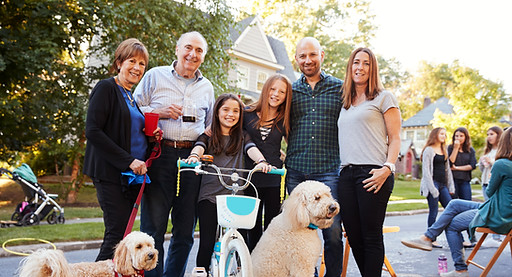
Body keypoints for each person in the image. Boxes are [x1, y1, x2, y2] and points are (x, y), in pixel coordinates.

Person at [133, 31, 214, 277]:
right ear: (177, 49)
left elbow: (210, 129)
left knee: (185, 230)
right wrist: (159, 112)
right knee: (153, 229)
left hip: (191, 161)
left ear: (203, 57)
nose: (193, 54)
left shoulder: (207, 87)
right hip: (160, 155)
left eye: (199, 51)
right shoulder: (154, 76)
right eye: (189, 48)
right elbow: (133, 109)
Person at [401, 127, 512, 277]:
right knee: (454, 203)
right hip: (502, 211)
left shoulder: (502, 164)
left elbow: (490, 192)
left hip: (498, 214)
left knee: (452, 225)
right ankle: (428, 237)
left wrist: (493, 177)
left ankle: (460, 269)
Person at [83, 38, 158, 261]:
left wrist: (152, 139)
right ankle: (96, 274)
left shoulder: (130, 97)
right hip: (110, 173)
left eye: (142, 64)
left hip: (130, 176)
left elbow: (128, 135)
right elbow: (93, 130)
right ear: (119, 63)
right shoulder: (107, 88)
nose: (137, 67)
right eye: (131, 61)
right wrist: (129, 161)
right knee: (115, 236)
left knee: (123, 237)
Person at [183, 93, 272, 270]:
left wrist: (261, 161)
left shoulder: (242, 136)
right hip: (209, 196)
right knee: (207, 243)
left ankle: (242, 271)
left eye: (235, 111)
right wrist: (194, 156)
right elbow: (199, 146)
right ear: (217, 112)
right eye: (225, 110)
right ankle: (202, 272)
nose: (230, 114)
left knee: (242, 241)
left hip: (235, 195)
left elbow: (251, 149)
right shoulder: (208, 135)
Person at [337, 47, 401, 277]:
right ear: (350, 66)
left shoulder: (384, 97)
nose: (360, 67)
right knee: (353, 236)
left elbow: (395, 138)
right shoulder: (345, 102)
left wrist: (388, 168)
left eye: (366, 63)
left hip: (374, 173)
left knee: (371, 236)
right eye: (356, 62)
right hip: (346, 175)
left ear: (372, 69)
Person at [285, 37, 344, 277]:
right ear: (296, 59)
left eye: (312, 55)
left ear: (322, 55)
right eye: (302, 56)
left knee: (332, 233)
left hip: (328, 170)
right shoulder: (290, 90)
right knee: (299, 230)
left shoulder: (340, 88)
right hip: (296, 171)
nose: (307, 60)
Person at [243, 74, 292, 251]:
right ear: (266, 90)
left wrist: (286, 158)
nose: (276, 94)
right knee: (251, 225)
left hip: (275, 179)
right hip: (250, 177)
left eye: (282, 91)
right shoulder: (246, 114)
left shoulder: (284, 119)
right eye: (273, 89)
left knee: (273, 226)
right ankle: (252, 265)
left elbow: (291, 145)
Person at [420, 127, 455, 231]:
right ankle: (430, 239)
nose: (444, 136)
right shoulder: (429, 150)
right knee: (433, 211)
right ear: (435, 135)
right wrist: (432, 189)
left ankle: (456, 237)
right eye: (441, 134)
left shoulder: (444, 150)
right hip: (432, 184)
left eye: (445, 134)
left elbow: (448, 170)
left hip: (442, 185)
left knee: (451, 208)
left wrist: (451, 186)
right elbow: (426, 171)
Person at [448, 127, 477, 200]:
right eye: (456, 136)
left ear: (465, 137)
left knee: (467, 202)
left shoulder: (470, 150)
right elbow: (450, 162)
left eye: (461, 136)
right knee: (454, 202)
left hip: (465, 180)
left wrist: (457, 168)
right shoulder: (450, 148)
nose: (458, 138)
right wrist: (456, 148)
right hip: (453, 180)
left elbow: (472, 165)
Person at [479, 126, 502, 200]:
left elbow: (502, 166)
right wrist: (482, 162)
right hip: (485, 182)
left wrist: (491, 161)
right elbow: (482, 169)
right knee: (487, 204)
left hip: (494, 182)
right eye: (488, 135)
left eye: (492, 134)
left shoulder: (501, 151)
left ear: (498, 135)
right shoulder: (488, 151)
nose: (489, 137)